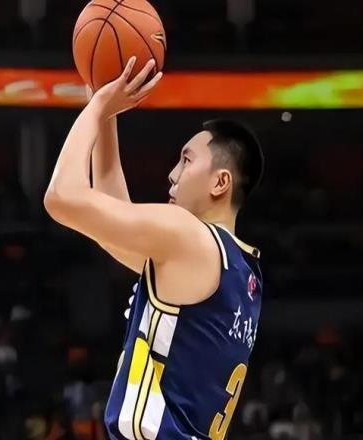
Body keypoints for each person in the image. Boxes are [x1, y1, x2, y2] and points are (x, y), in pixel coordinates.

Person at [44, 57, 264, 440]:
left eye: (186, 160)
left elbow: (61, 198)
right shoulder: (240, 268)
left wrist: (96, 106)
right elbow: (113, 222)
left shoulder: (188, 236)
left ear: (220, 183)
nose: (172, 174)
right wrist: (106, 115)